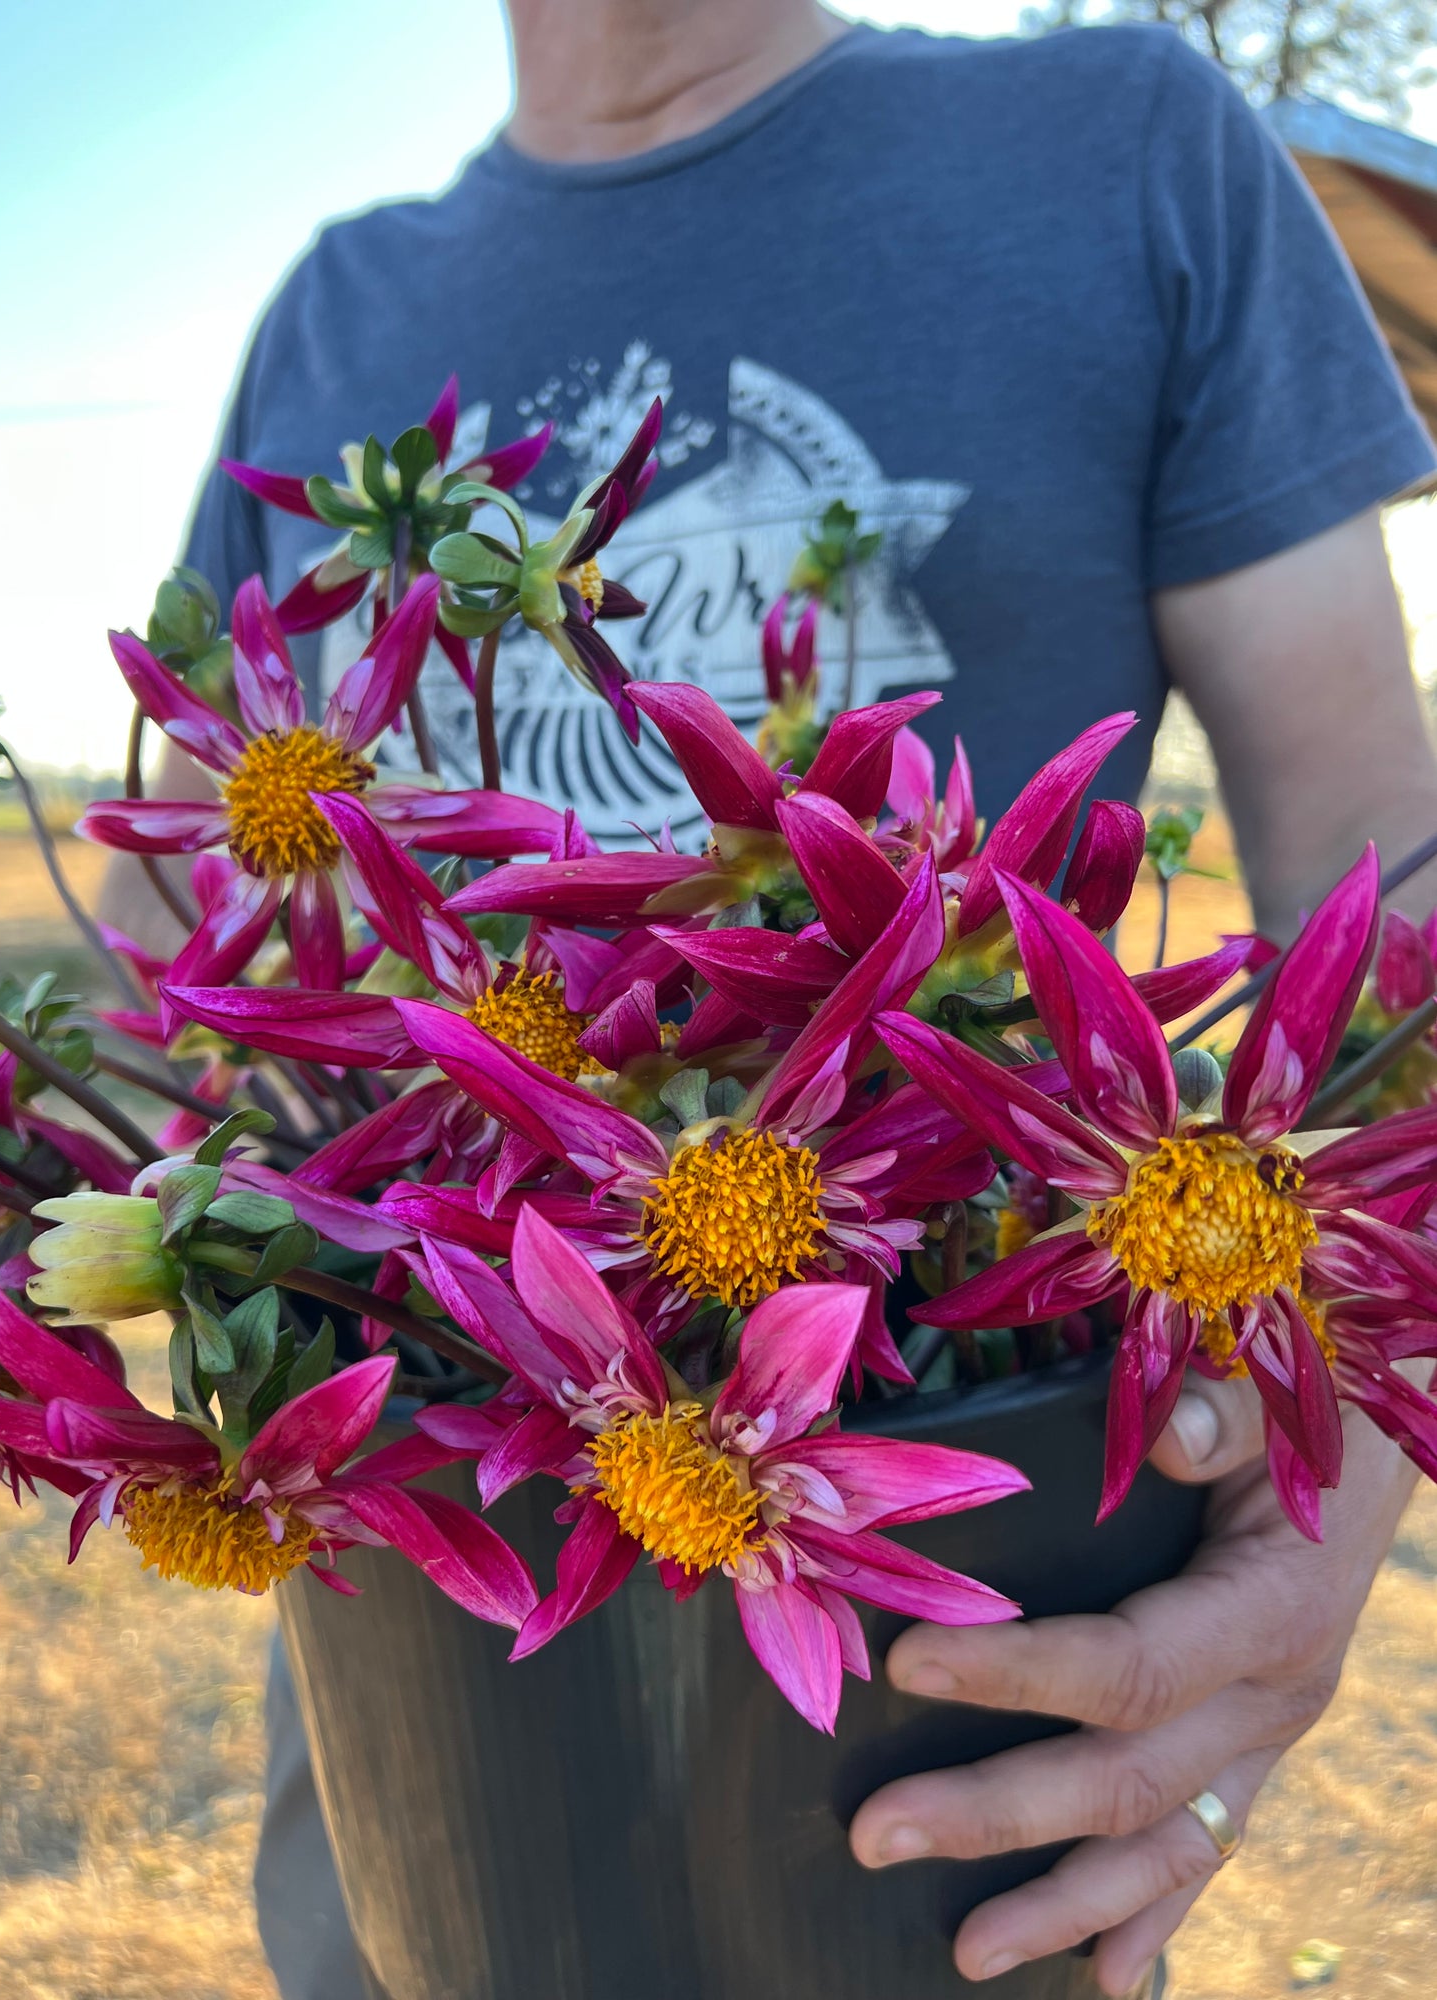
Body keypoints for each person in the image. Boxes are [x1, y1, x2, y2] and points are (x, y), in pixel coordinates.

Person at [114, 4, 1437, 1994]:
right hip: (434, 1640)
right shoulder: (336, 308)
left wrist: (1335, 1502)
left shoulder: (1119, 141)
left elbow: (1381, 861)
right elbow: (198, 950)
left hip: (944, 1667)